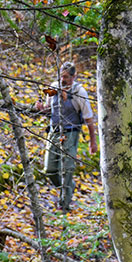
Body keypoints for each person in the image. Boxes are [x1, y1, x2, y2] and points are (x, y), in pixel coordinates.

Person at [36, 61, 98, 211]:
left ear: (73, 76)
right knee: (49, 169)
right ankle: (68, 187)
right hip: (54, 131)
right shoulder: (53, 87)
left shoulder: (79, 92)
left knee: (68, 168)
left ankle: (64, 206)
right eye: (61, 76)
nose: (63, 80)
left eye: (66, 77)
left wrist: (93, 142)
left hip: (71, 133)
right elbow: (48, 109)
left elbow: (89, 119)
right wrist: (40, 108)